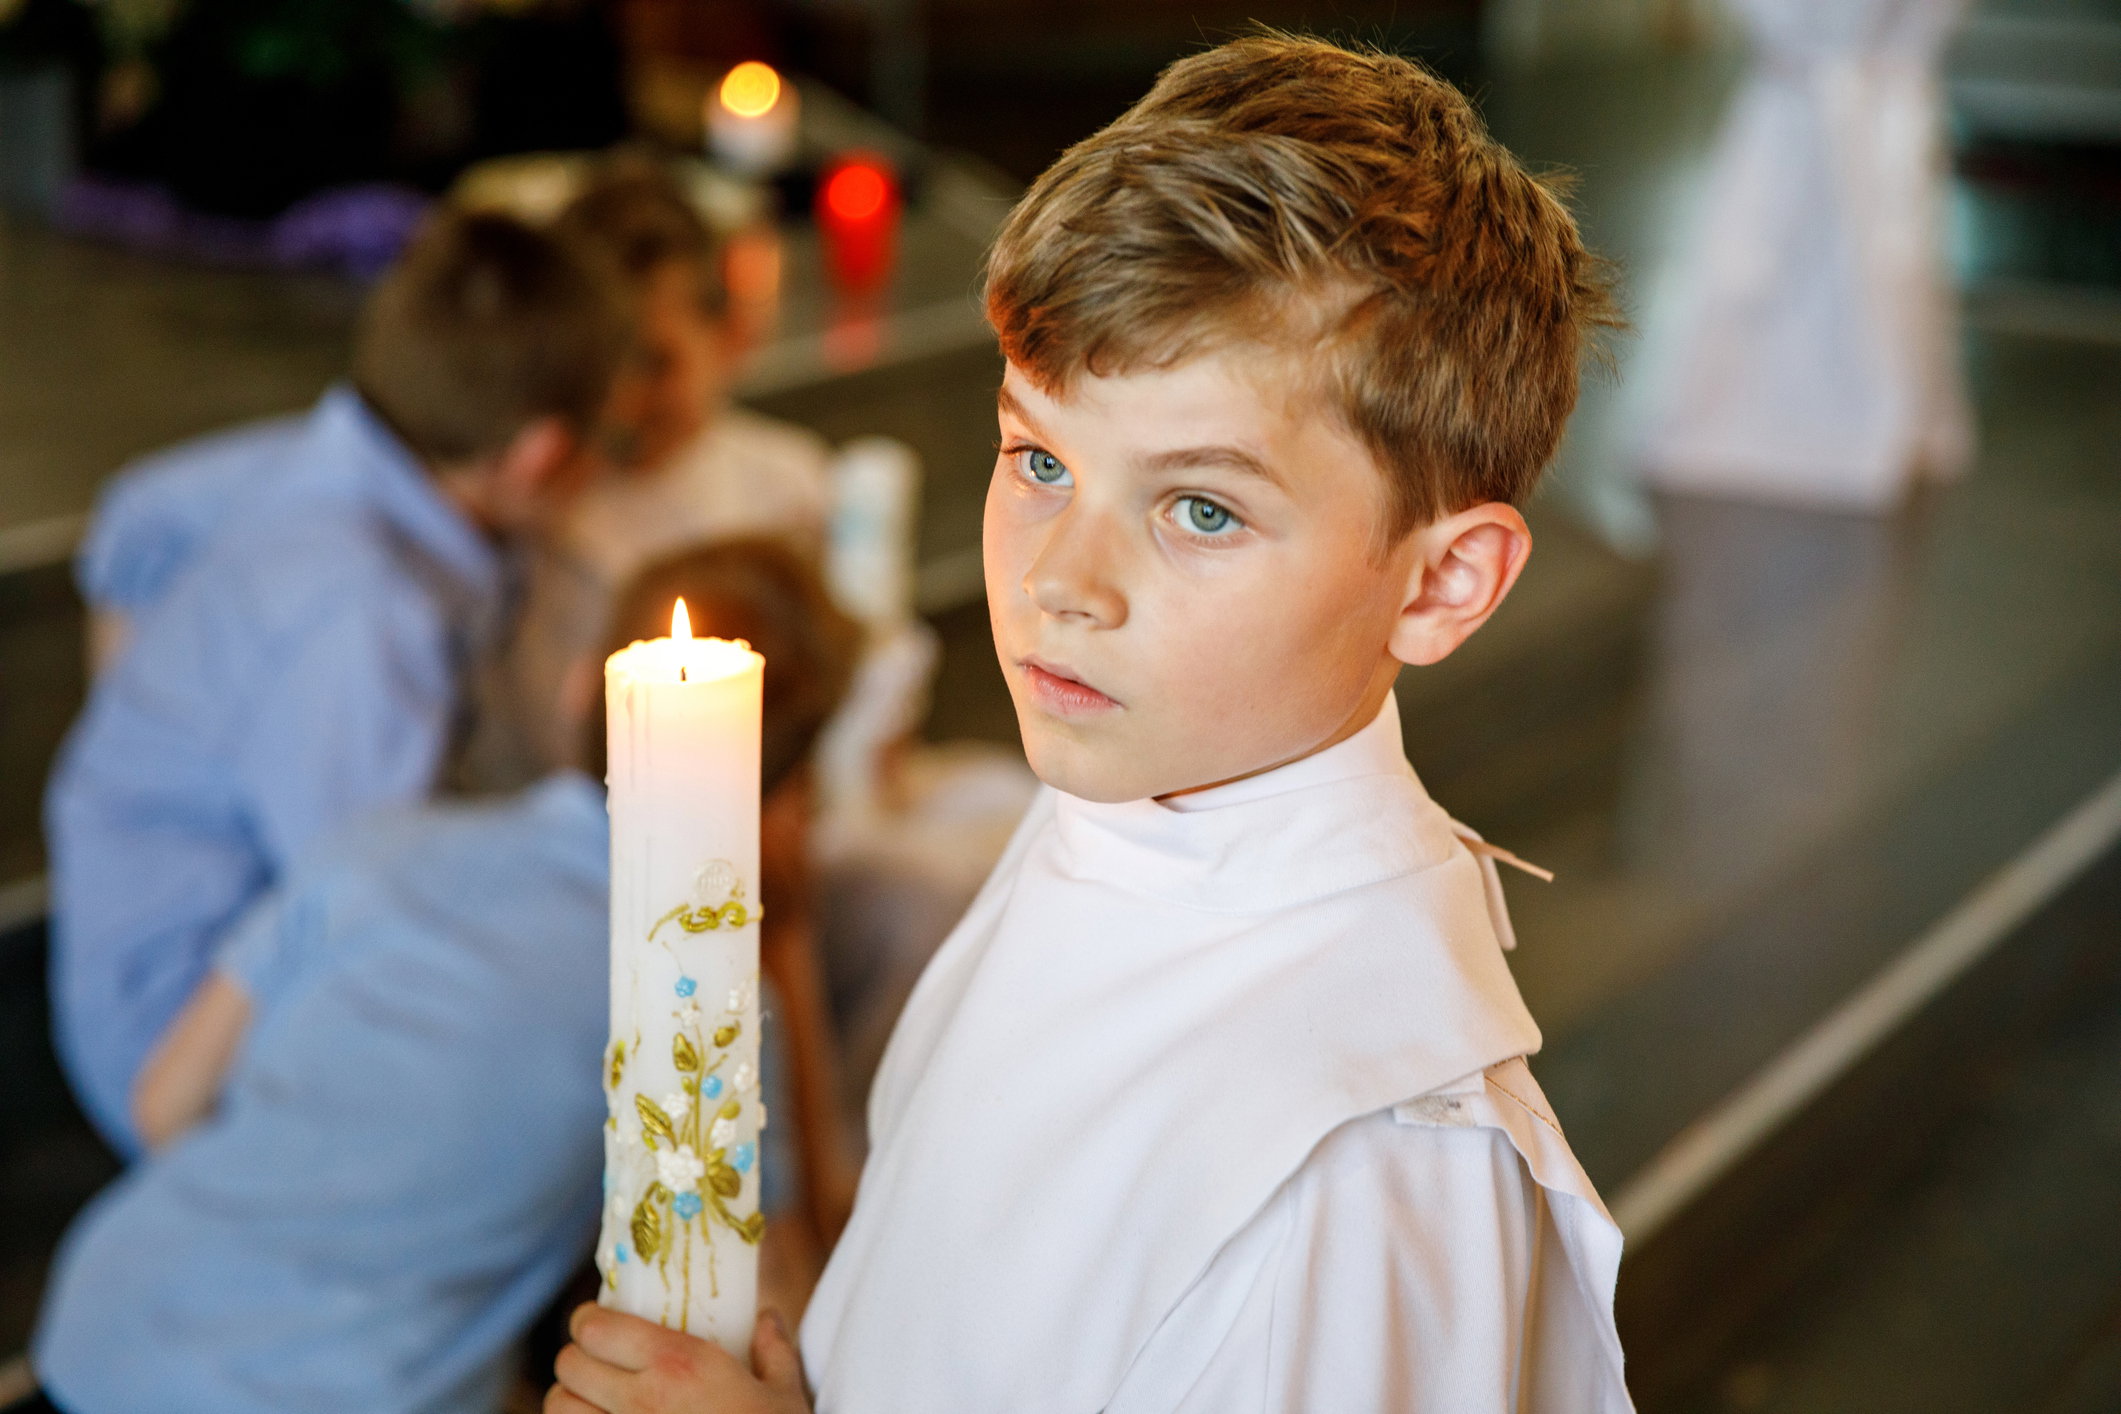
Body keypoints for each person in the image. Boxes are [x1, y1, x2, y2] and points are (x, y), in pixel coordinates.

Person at [548, 32, 1632, 1414]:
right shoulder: (1118, 810)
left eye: (1201, 508)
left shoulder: (1350, 1173)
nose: (1061, 583)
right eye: (1041, 459)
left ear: (1439, 582)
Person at [26, 539, 861, 1414]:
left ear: (584, 686)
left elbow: (166, 1104)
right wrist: (788, 940)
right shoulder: (701, 998)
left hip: (106, 1328)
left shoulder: (379, 845)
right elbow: (779, 1303)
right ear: (786, 797)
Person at [42, 208, 631, 1154]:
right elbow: (365, 906)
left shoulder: (336, 452)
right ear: (536, 456)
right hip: (175, 1036)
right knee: (579, 1047)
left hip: (180, 920)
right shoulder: (363, 622)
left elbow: (133, 518)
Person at [473, 158, 838, 785]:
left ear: (728, 335)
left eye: (654, 362)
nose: (622, 401)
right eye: (600, 364)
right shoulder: (531, 503)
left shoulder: (787, 487)